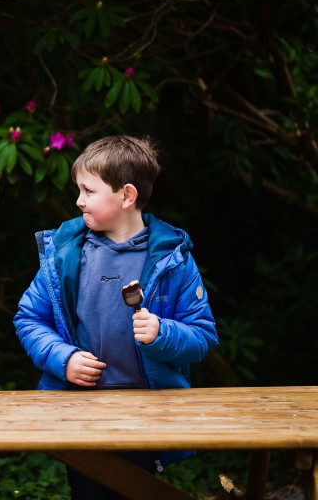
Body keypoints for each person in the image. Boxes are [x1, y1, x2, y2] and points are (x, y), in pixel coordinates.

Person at [13, 135, 218, 500]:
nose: (79, 201)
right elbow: (29, 318)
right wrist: (64, 358)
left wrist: (162, 332)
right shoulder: (66, 255)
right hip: (81, 409)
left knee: (136, 489)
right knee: (89, 490)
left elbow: (202, 335)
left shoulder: (173, 258)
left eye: (89, 191)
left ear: (126, 196)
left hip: (148, 412)